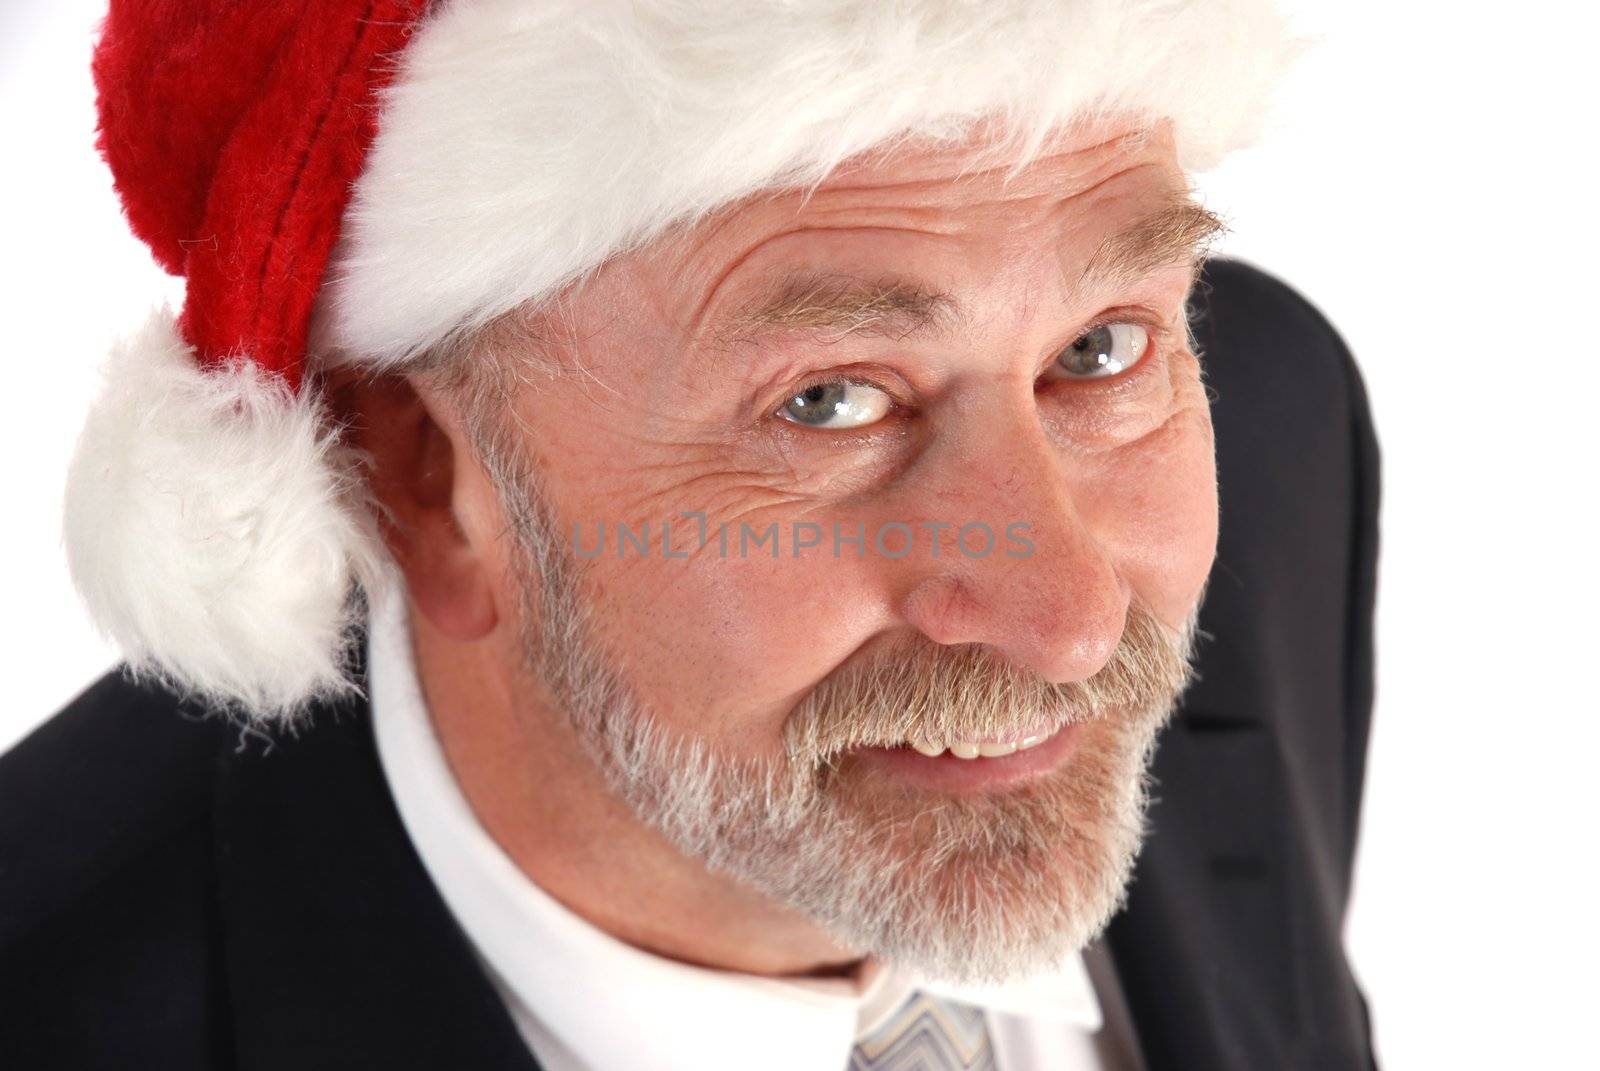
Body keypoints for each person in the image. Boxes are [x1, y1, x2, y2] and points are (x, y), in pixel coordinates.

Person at [0, 1, 1380, 1068]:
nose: (1072, 618)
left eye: (1099, 344)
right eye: (833, 401)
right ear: (418, 479)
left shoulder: (1277, 442)